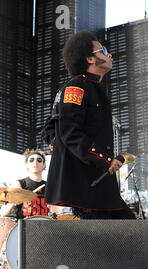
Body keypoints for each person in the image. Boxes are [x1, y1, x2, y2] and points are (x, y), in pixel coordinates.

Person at [42, 30, 134, 220]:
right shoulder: (77, 87)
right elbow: (68, 131)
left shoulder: (91, 88)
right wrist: (104, 159)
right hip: (87, 187)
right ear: (89, 59)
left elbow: (53, 130)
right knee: (111, 244)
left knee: (136, 236)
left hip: (99, 186)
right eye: (103, 51)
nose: (109, 55)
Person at [0, 150, 49, 219]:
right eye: (31, 160)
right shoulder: (20, 184)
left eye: (39, 160)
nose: (35, 162)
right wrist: (14, 199)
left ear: (44, 165)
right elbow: (3, 213)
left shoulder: (49, 186)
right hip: (24, 226)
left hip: (45, 226)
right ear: (27, 165)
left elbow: (56, 211)